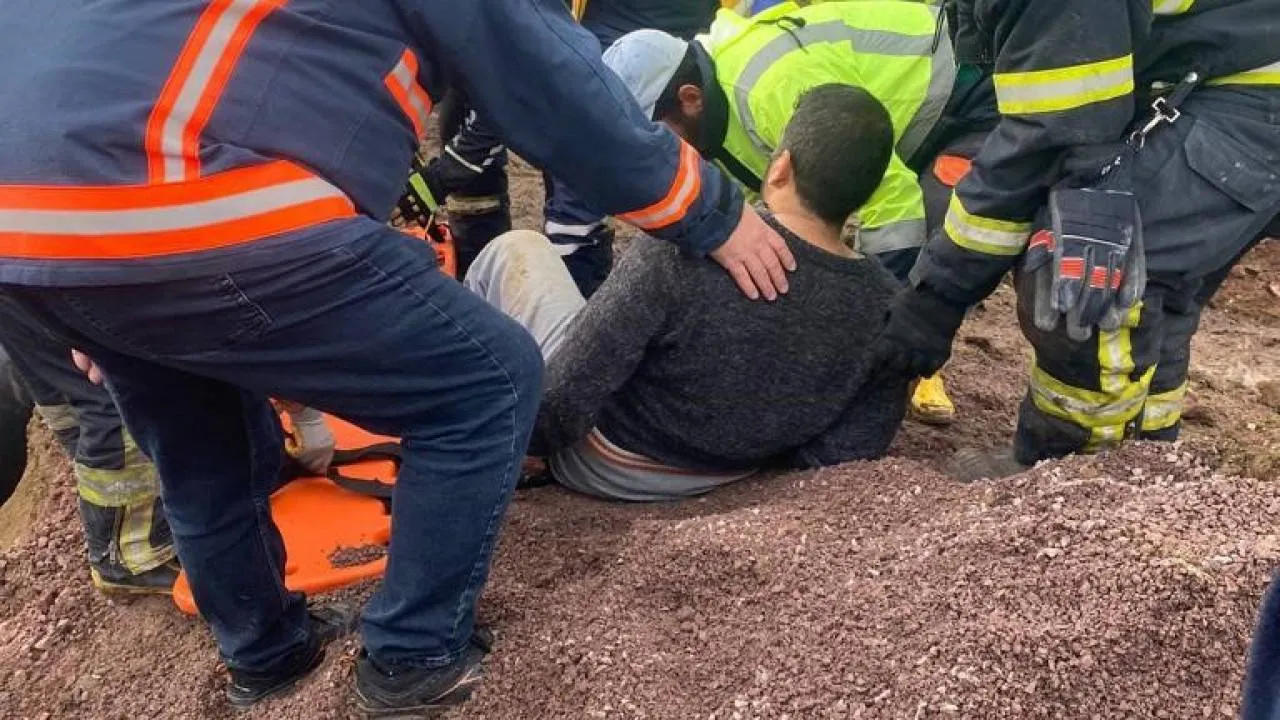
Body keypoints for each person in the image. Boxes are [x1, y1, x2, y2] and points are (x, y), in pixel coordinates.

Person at [0, 0, 791, 712]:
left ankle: (265, 659)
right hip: (174, 196)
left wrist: (76, 280)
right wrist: (707, 211)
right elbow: (551, 81)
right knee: (486, 380)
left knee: (196, 440)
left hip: (31, 222)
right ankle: (414, 657)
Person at [870, 0, 1280, 481]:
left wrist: (936, 299)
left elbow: (1043, 146)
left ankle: (1072, 475)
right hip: (1229, 76)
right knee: (1154, 284)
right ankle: (1149, 465)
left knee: (1084, 260)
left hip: (1245, 98)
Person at [466, 85, 909, 501]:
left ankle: (468, 427)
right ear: (865, 196)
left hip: (605, 462)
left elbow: (564, 394)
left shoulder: (691, 243)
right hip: (734, 477)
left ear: (780, 168)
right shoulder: (890, 306)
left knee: (516, 249)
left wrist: (536, 443)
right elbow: (849, 450)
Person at [600, 0, 965, 424]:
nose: (654, 153)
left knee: (940, 250)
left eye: (655, 133)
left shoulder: (773, 90)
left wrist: (874, 323)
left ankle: (895, 380)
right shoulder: (713, 105)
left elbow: (894, 202)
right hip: (892, 108)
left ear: (690, 99)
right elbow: (742, 221)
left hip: (959, 86)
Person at [405, 0, 722, 287]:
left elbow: (524, 60)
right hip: (657, 58)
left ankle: (574, 314)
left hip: (625, 67)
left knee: (573, 218)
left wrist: (446, 173)